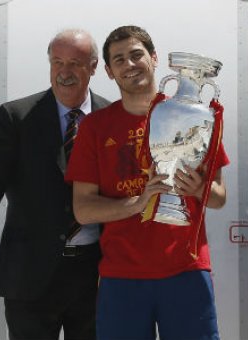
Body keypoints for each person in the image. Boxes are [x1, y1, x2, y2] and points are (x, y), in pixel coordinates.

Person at [65, 25, 228, 340]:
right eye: (119, 60)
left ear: (154, 59)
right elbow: (83, 210)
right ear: (110, 72)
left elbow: (219, 197)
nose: (129, 64)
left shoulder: (193, 116)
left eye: (137, 55)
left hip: (187, 270)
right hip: (122, 275)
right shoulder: (95, 128)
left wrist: (197, 188)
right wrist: (139, 202)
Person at [0, 29, 109, 339]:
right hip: (30, 274)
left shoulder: (111, 118)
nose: (64, 72)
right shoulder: (17, 116)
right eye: (57, 62)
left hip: (96, 273)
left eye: (75, 63)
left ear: (93, 67)